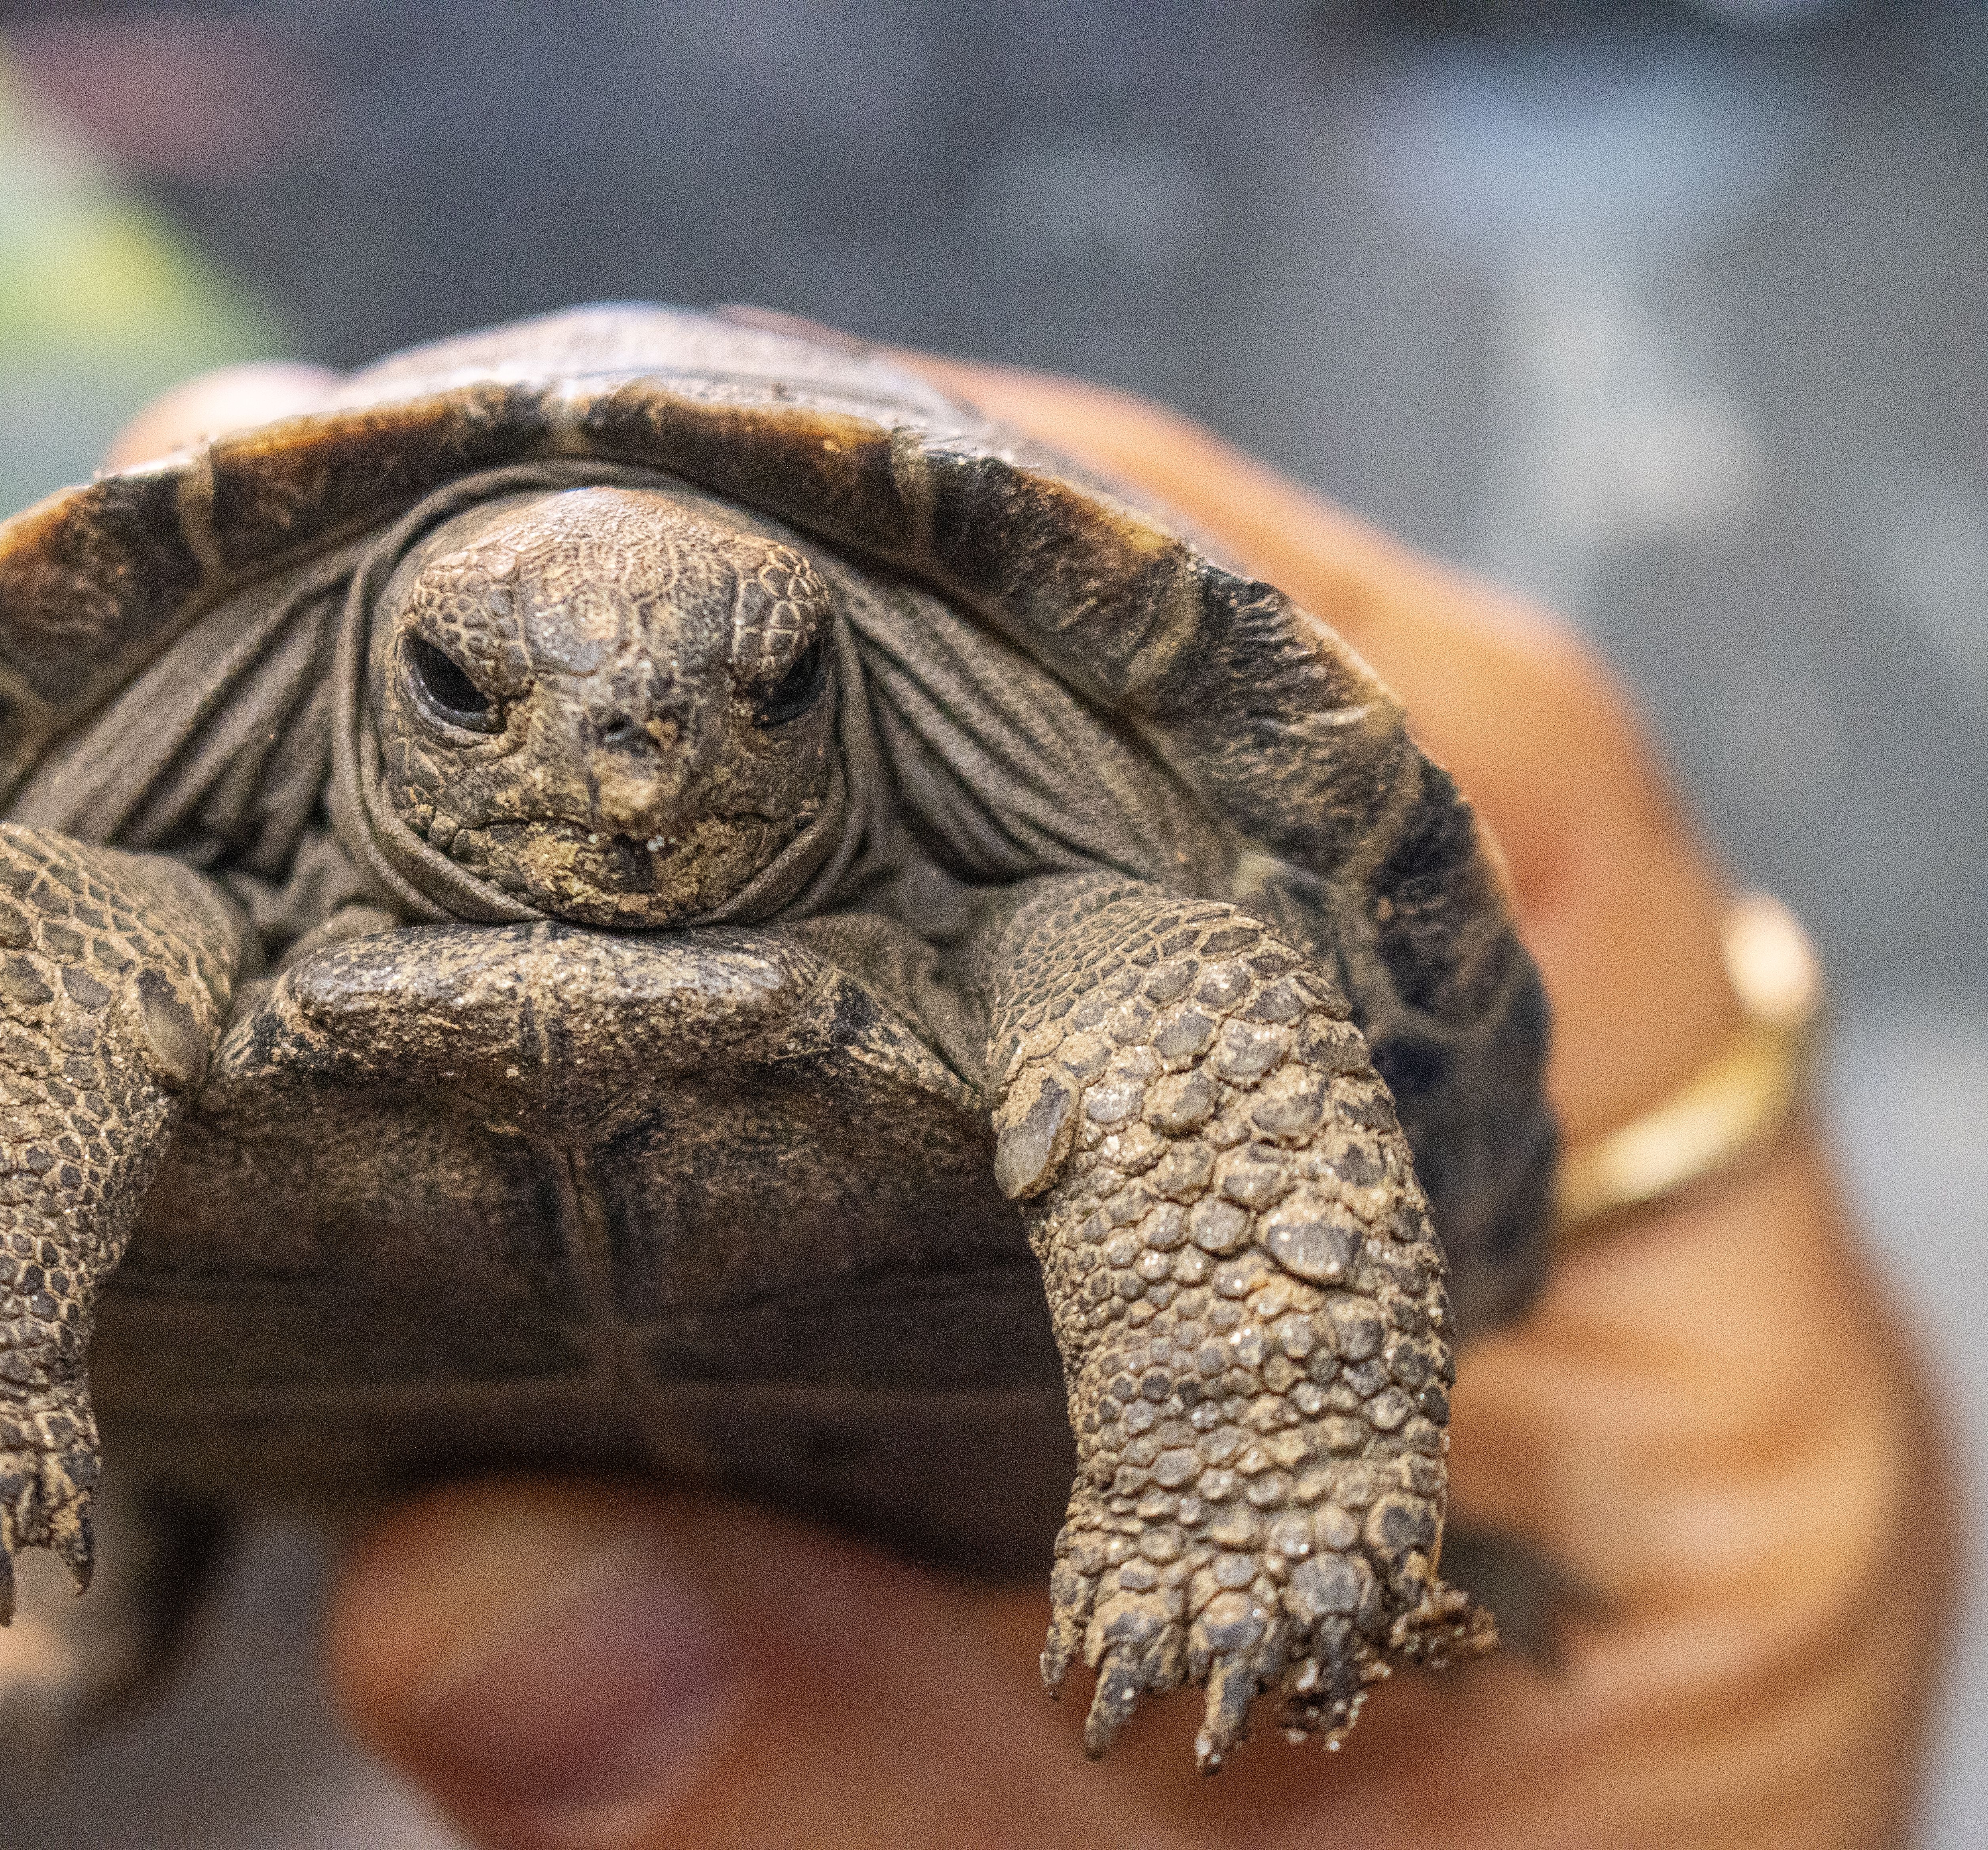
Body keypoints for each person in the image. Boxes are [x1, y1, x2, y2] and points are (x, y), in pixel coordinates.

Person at [106, 348, 1952, 1850]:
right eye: (466, 693)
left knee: (1168, 993)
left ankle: (1285, 1502)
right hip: (314, 1375)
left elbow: (1199, 978)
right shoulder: (141, 868)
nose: (636, 759)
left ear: (835, 672)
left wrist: (1270, 1472)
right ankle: (129, 1553)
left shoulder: (1083, 913)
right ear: (373, 674)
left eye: (760, 695)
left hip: (1010, 1378)